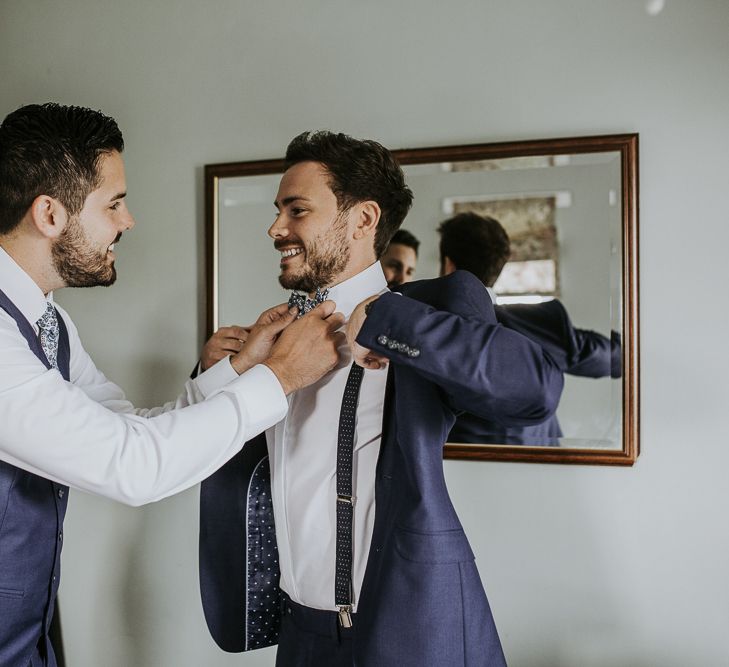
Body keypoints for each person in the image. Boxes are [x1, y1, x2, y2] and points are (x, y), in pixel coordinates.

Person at [198, 131, 565, 666]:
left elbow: (535, 390)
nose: (276, 228)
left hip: (407, 634)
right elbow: (211, 453)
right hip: (300, 638)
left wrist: (391, 320)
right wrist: (221, 374)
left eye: (296, 210)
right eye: (279, 211)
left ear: (363, 219)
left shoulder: (429, 311)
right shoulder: (271, 341)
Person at [0, 103, 343, 667]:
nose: (127, 221)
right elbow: (134, 467)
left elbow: (127, 427)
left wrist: (234, 373)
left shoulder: (50, 321)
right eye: (113, 203)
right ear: (49, 214)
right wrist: (279, 379)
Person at [437, 211, 621, 445]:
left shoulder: (427, 325)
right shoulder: (535, 323)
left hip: (456, 466)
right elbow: (612, 358)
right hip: (541, 463)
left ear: (448, 265)